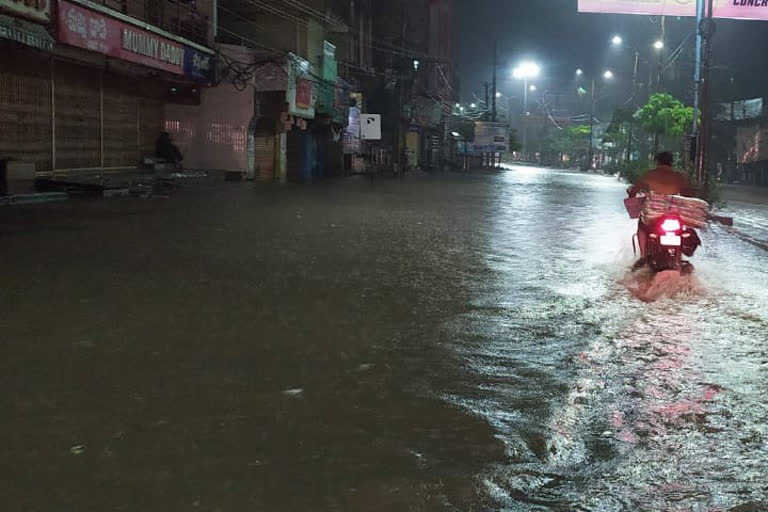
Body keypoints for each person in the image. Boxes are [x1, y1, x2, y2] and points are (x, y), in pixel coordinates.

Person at [627, 151, 693, 269]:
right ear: (671, 162)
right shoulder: (679, 177)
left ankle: (642, 256)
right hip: (673, 215)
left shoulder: (649, 174)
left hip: (654, 216)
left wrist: (631, 193)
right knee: (682, 229)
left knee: (641, 226)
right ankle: (679, 257)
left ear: (657, 161)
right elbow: (686, 195)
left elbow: (633, 192)